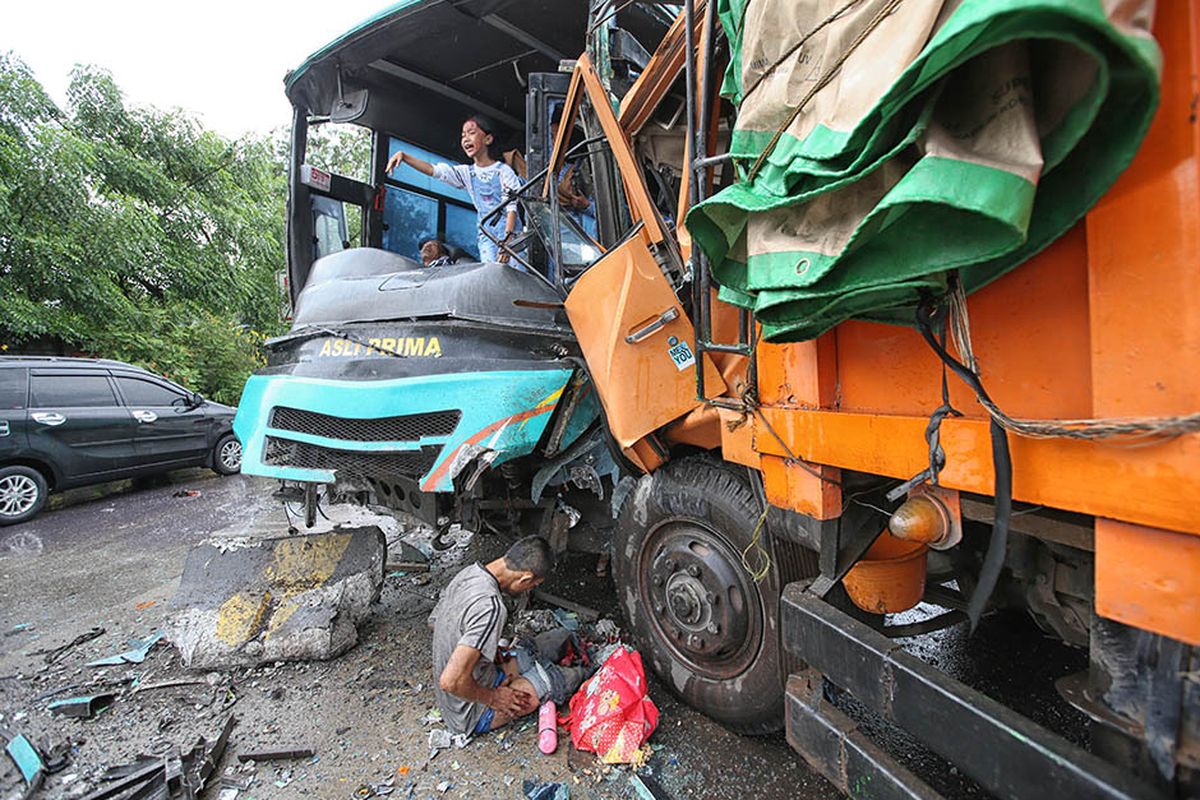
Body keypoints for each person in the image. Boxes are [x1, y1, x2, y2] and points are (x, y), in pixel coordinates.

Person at [429, 536, 588, 736]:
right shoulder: (491, 607)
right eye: (532, 586)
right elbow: (450, 681)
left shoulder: (469, 573)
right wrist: (493, 698)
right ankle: (583, 670)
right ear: (525, 579)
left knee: (558, 639)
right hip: (469, 712)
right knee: (564, 679)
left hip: (476, 678)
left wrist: (481, 648)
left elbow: (434, 622)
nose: (529, 590)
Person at [387, 116, 521, 264]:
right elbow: (434, 170)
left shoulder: (503, 171)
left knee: (517, 276)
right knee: (491, 276)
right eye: (463, 135)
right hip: (487, 236)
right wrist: (405, 157)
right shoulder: (467, 173)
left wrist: (507, 240)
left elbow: (511, 208)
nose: (465, 139)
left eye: (471, 133)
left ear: (488, 139)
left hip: (511, 235)